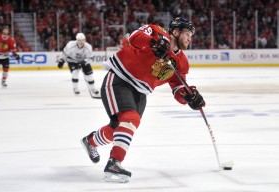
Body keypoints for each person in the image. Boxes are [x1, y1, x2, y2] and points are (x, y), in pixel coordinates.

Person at [81, 17, 205, 183]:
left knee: (119, 127)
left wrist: (189, 97)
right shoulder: (157, 32)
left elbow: (178, 87)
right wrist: (154, 42)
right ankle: (114, 163)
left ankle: (90, 141)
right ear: (175, 31)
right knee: (130, 119)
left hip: (141, 92)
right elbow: (134, 38)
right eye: (187, 33)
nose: (190, 38)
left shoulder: (182, 62)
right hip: (120, 78)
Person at [57, 33, 100, 98]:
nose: (81, 42)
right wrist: (61, 61)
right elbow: (65, 53)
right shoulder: (70, 45)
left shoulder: (88, 47)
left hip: (83, 61)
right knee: (75, 73)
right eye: (79, 40)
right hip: (72, 61)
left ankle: (92, 88)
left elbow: (89, 57)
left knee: (89, 75)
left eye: (83, 40)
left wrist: (83, 62)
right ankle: (75, 88)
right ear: (77, 40)